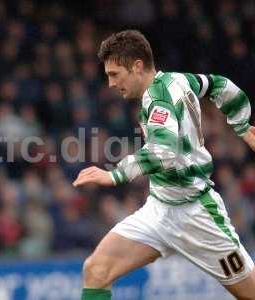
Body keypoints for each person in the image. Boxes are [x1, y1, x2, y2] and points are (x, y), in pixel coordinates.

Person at [73, 30, 255, 300]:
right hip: (159, 210)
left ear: (136, 66)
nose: (110, 83)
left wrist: (115, 175)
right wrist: (241, 125)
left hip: (197, 215)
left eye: (114, 74)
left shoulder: (158, 100)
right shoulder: (178, 80)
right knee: (97, 270)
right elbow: (219, 85)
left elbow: (164, 151)